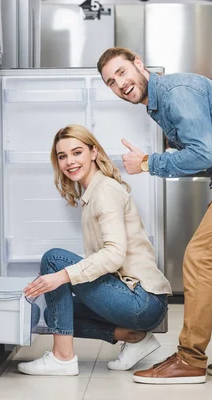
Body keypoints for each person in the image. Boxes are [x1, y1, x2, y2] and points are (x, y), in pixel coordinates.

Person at [97, 47, 212, 384]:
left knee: (199, 258)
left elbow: (200, 154)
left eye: (123, 72)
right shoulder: (159, 104)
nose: (120, 84)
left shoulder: (175, 92)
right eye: (111, 82)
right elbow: (202, 152)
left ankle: (190, 359)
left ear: (139, 64)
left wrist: (146, 164)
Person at [18, 124, 172, 376]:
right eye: (62, 156)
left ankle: (62, 358)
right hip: (139, 302)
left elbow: (113, 254)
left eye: (77, 152)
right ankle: (134, 338)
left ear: (93, 152)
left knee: (54, 260)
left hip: (142, 300)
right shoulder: (93, 192)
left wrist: (62, 276)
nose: (69, 161)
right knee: (56, 313)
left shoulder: (105, 191)